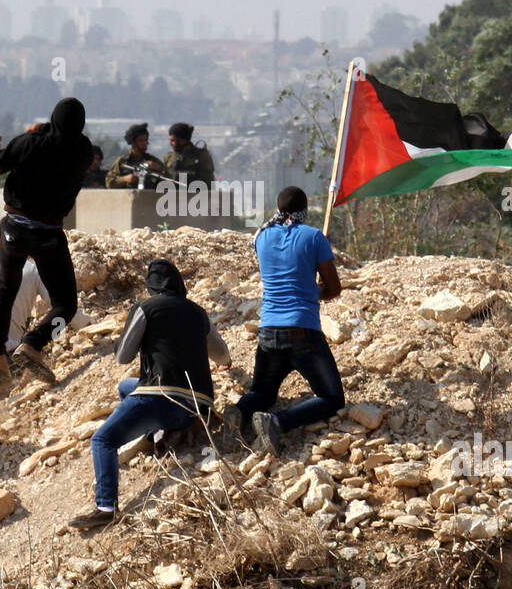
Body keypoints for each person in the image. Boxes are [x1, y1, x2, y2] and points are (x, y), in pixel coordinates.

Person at [70, 259, 231, 530]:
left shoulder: (146, 307)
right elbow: (222, 354)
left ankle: (105, 507)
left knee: (103, 440)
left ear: (151, 286)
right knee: (126, 386)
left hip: (161, 399)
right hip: (198, 405)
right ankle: (160, 434)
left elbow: (123, 356)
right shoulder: (198, 312)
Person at [0, 97, 93, 399]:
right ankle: (34, 344)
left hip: (15, 229)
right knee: (65, 305)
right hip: (49, 235)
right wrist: (37, 134)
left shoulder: (29, 144)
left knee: (7, 286)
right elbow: (57, 145)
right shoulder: (83, 152)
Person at [225, 187, 344, 455]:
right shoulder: (314, 237)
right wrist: (315, 291)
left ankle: (239, 414)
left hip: (268, 331)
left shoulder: (262, 237)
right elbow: (334, 289)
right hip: (303, 334)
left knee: (262, 394)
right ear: (305, 210)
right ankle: (277, 422)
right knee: (332, 398)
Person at [0, 252, 92, 383]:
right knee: (6, 387)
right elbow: (63, 307)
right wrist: (90, 326)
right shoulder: (34, 270)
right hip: (7, 345)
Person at [105, 123, 168, 189]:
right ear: (133, 142)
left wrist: (159, 168)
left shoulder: (153, 161)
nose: (145, 143)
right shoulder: (122, 162)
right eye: (141, 140)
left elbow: (171, 181)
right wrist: (124, 179)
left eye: (146, 140)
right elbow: (109, 182)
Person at [163, 122, 215, 187]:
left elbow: (203, 179)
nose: (171, 143)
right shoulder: (170, 157)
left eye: (173, 140)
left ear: (183, 140)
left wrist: (168, 173)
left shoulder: (201, 156)